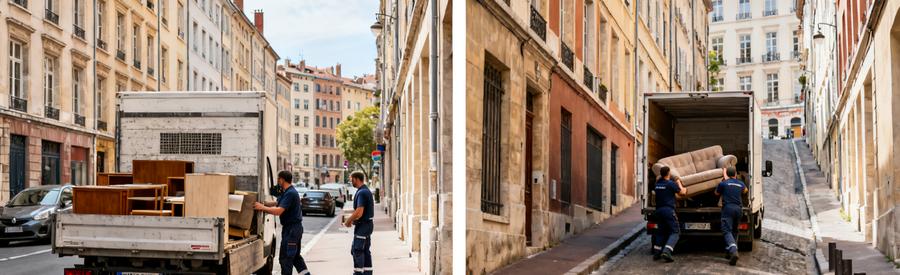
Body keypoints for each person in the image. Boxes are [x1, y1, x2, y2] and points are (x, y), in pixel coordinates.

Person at [254, 171, 312, 275]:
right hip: (294, 229)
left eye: (278, 179)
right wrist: (264, 203)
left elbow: (278, 211)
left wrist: (262, 208)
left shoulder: (290, 193)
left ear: (282, 179)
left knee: (286, 259)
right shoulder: (288, 192)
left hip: (291, 230)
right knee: (295, 257)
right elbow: (277, 203)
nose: (277, 181)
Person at [715, 166, 748, 266]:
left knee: (726, 231)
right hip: (738, 209)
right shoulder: (741, 184)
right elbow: (745, 191)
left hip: (728, 209)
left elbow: (716, 193)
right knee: (734, 230)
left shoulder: (723, 183)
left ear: (727, 175)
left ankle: (733, 251)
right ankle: (730, 251)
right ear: (735, 175)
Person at [652, 166, 687, 263]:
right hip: (668, 211)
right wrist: (679, 182)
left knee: (661, 232)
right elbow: (682, 193)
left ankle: (657, 253)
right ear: (669, 173)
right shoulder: (671, 184)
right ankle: (667, 251)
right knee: (675, 232)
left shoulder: (657, 184)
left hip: (659, 211)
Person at [343, 171, 374, 275]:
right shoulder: (365, 191)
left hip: (363, 226)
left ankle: (358, 273)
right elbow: (361, 211)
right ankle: (367, 273)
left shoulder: (362, 192)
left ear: (356, 179)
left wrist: (349, 220)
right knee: (365, 251)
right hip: (366, 225)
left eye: (351, 179)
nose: (351, 181)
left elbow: (359, 212)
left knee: (357, 250)